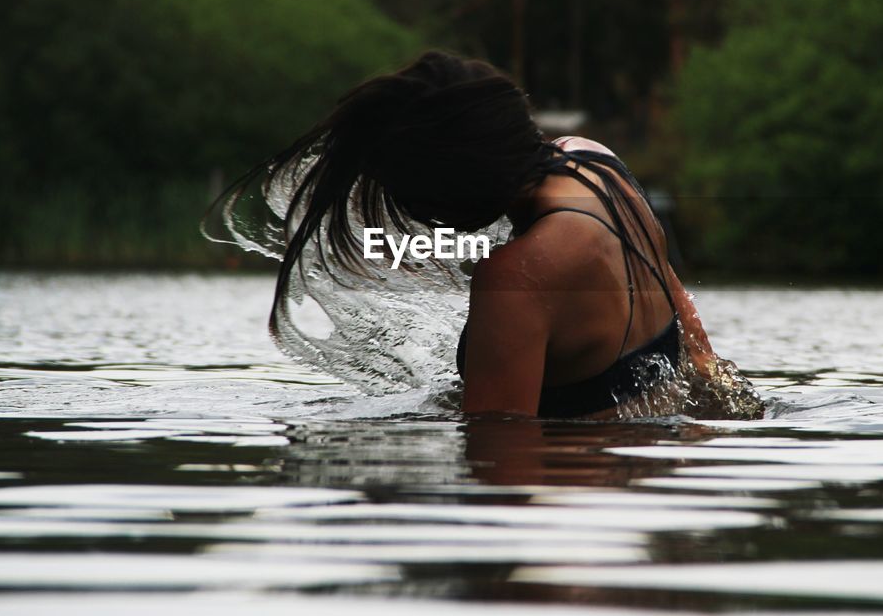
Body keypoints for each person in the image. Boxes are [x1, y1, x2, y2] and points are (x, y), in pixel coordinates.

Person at [210, 50, 753, 419]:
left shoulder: (517, 279)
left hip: (583, 493)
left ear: (448, 184)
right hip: (662, 473)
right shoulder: (595, 161)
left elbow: (500, 467)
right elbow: (688, 324)